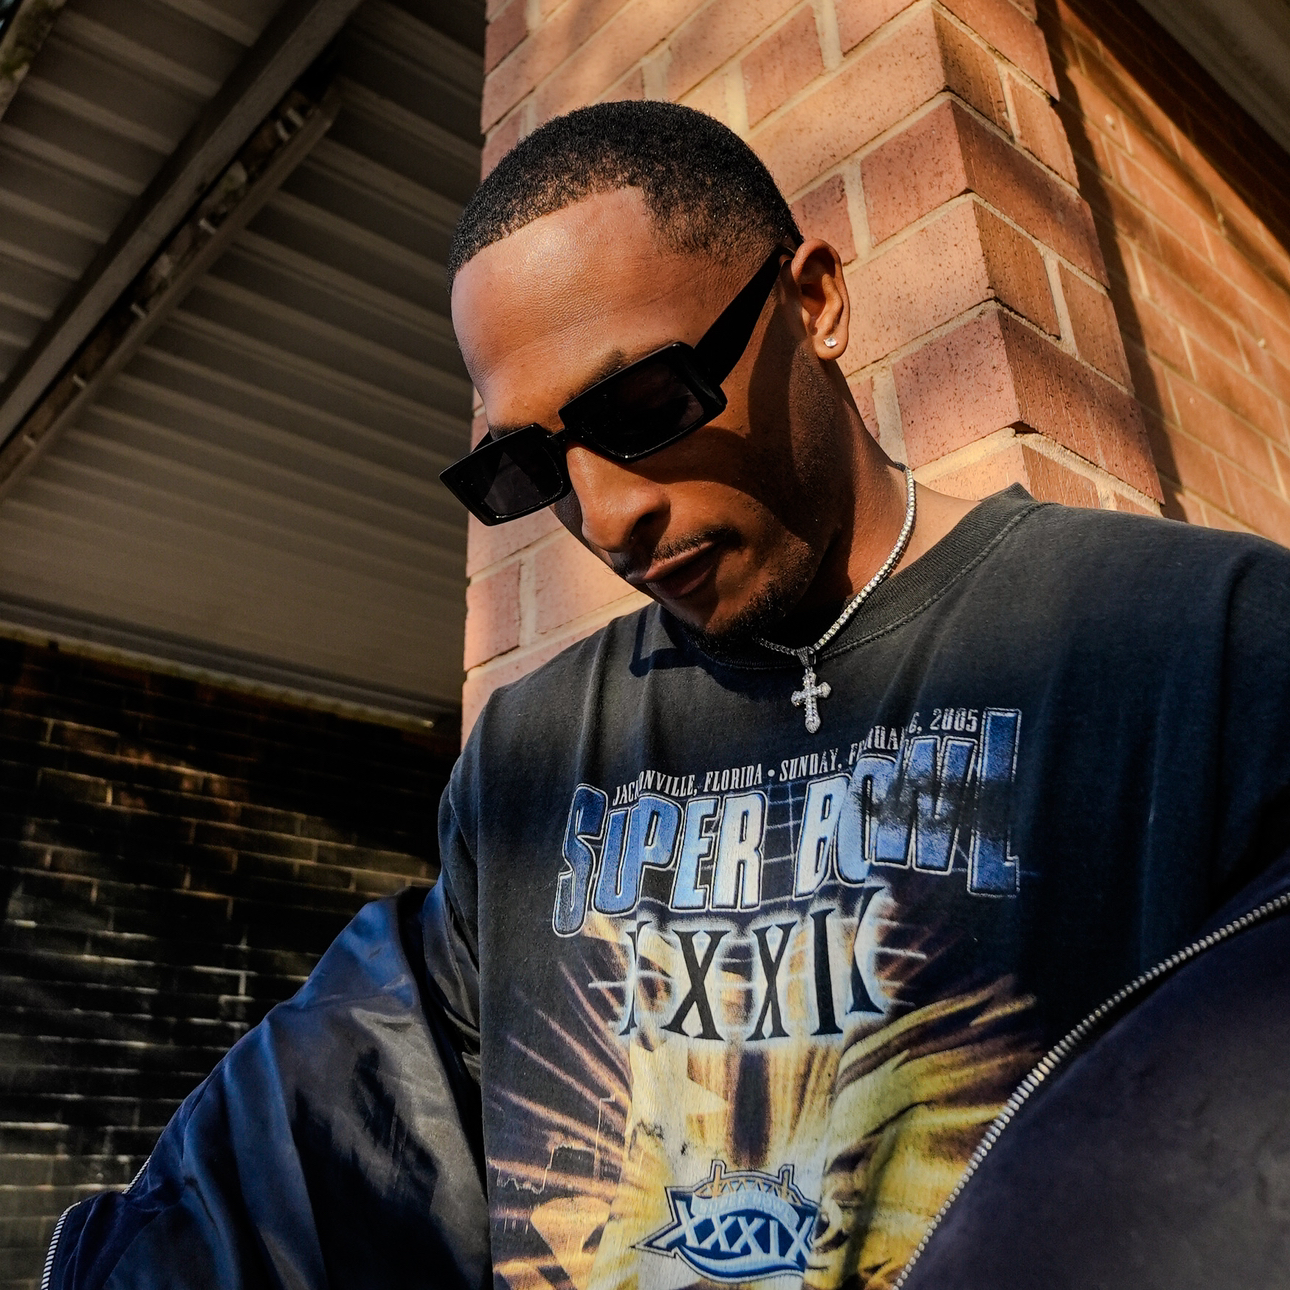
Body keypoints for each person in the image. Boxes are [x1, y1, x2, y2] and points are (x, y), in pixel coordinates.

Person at [45, 101, 1290, 1290]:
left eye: (643, 406)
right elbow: (335, 1138)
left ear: (815, 301)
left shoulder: (1203, 645)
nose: (604, 516)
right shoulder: (529, 760)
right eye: (530, 465)